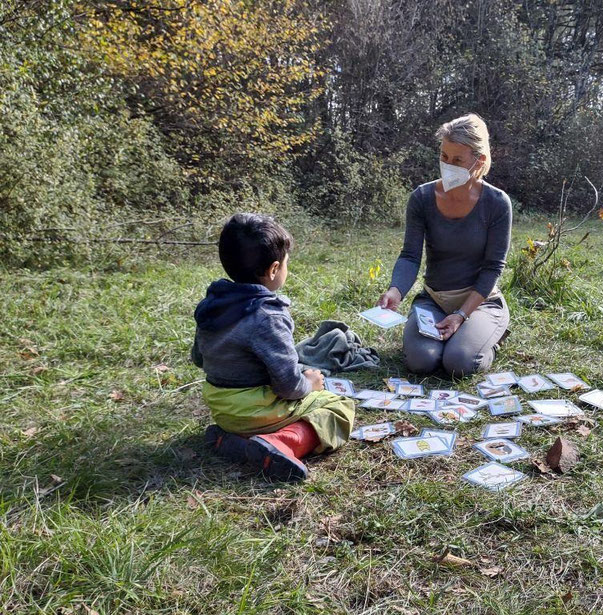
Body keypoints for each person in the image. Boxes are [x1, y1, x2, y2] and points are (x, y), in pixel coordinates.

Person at [192, 213, 355, 482]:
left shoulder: (212, 304)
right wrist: (310, 384)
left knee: (292, 403)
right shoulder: (269, 316)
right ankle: (283, 443)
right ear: (274, 269)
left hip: (222, 408)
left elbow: (199, 358)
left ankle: (236, 439)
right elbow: (288, 387)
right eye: (287, 264)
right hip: (257, 409)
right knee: (338, 407)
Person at [379, 113, 512, 377]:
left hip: (479, 303)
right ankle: (458, 337)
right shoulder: (422, 197)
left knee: (459, 363)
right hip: (434, 300)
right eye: (444, 157)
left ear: (479, 160)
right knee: (421, 362)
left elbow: (493, 268)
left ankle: (487, 337)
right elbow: (409, 255)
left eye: (457, 160)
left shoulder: (497, 203)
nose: (448, 165)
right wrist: (396, 290)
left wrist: (462, 315)